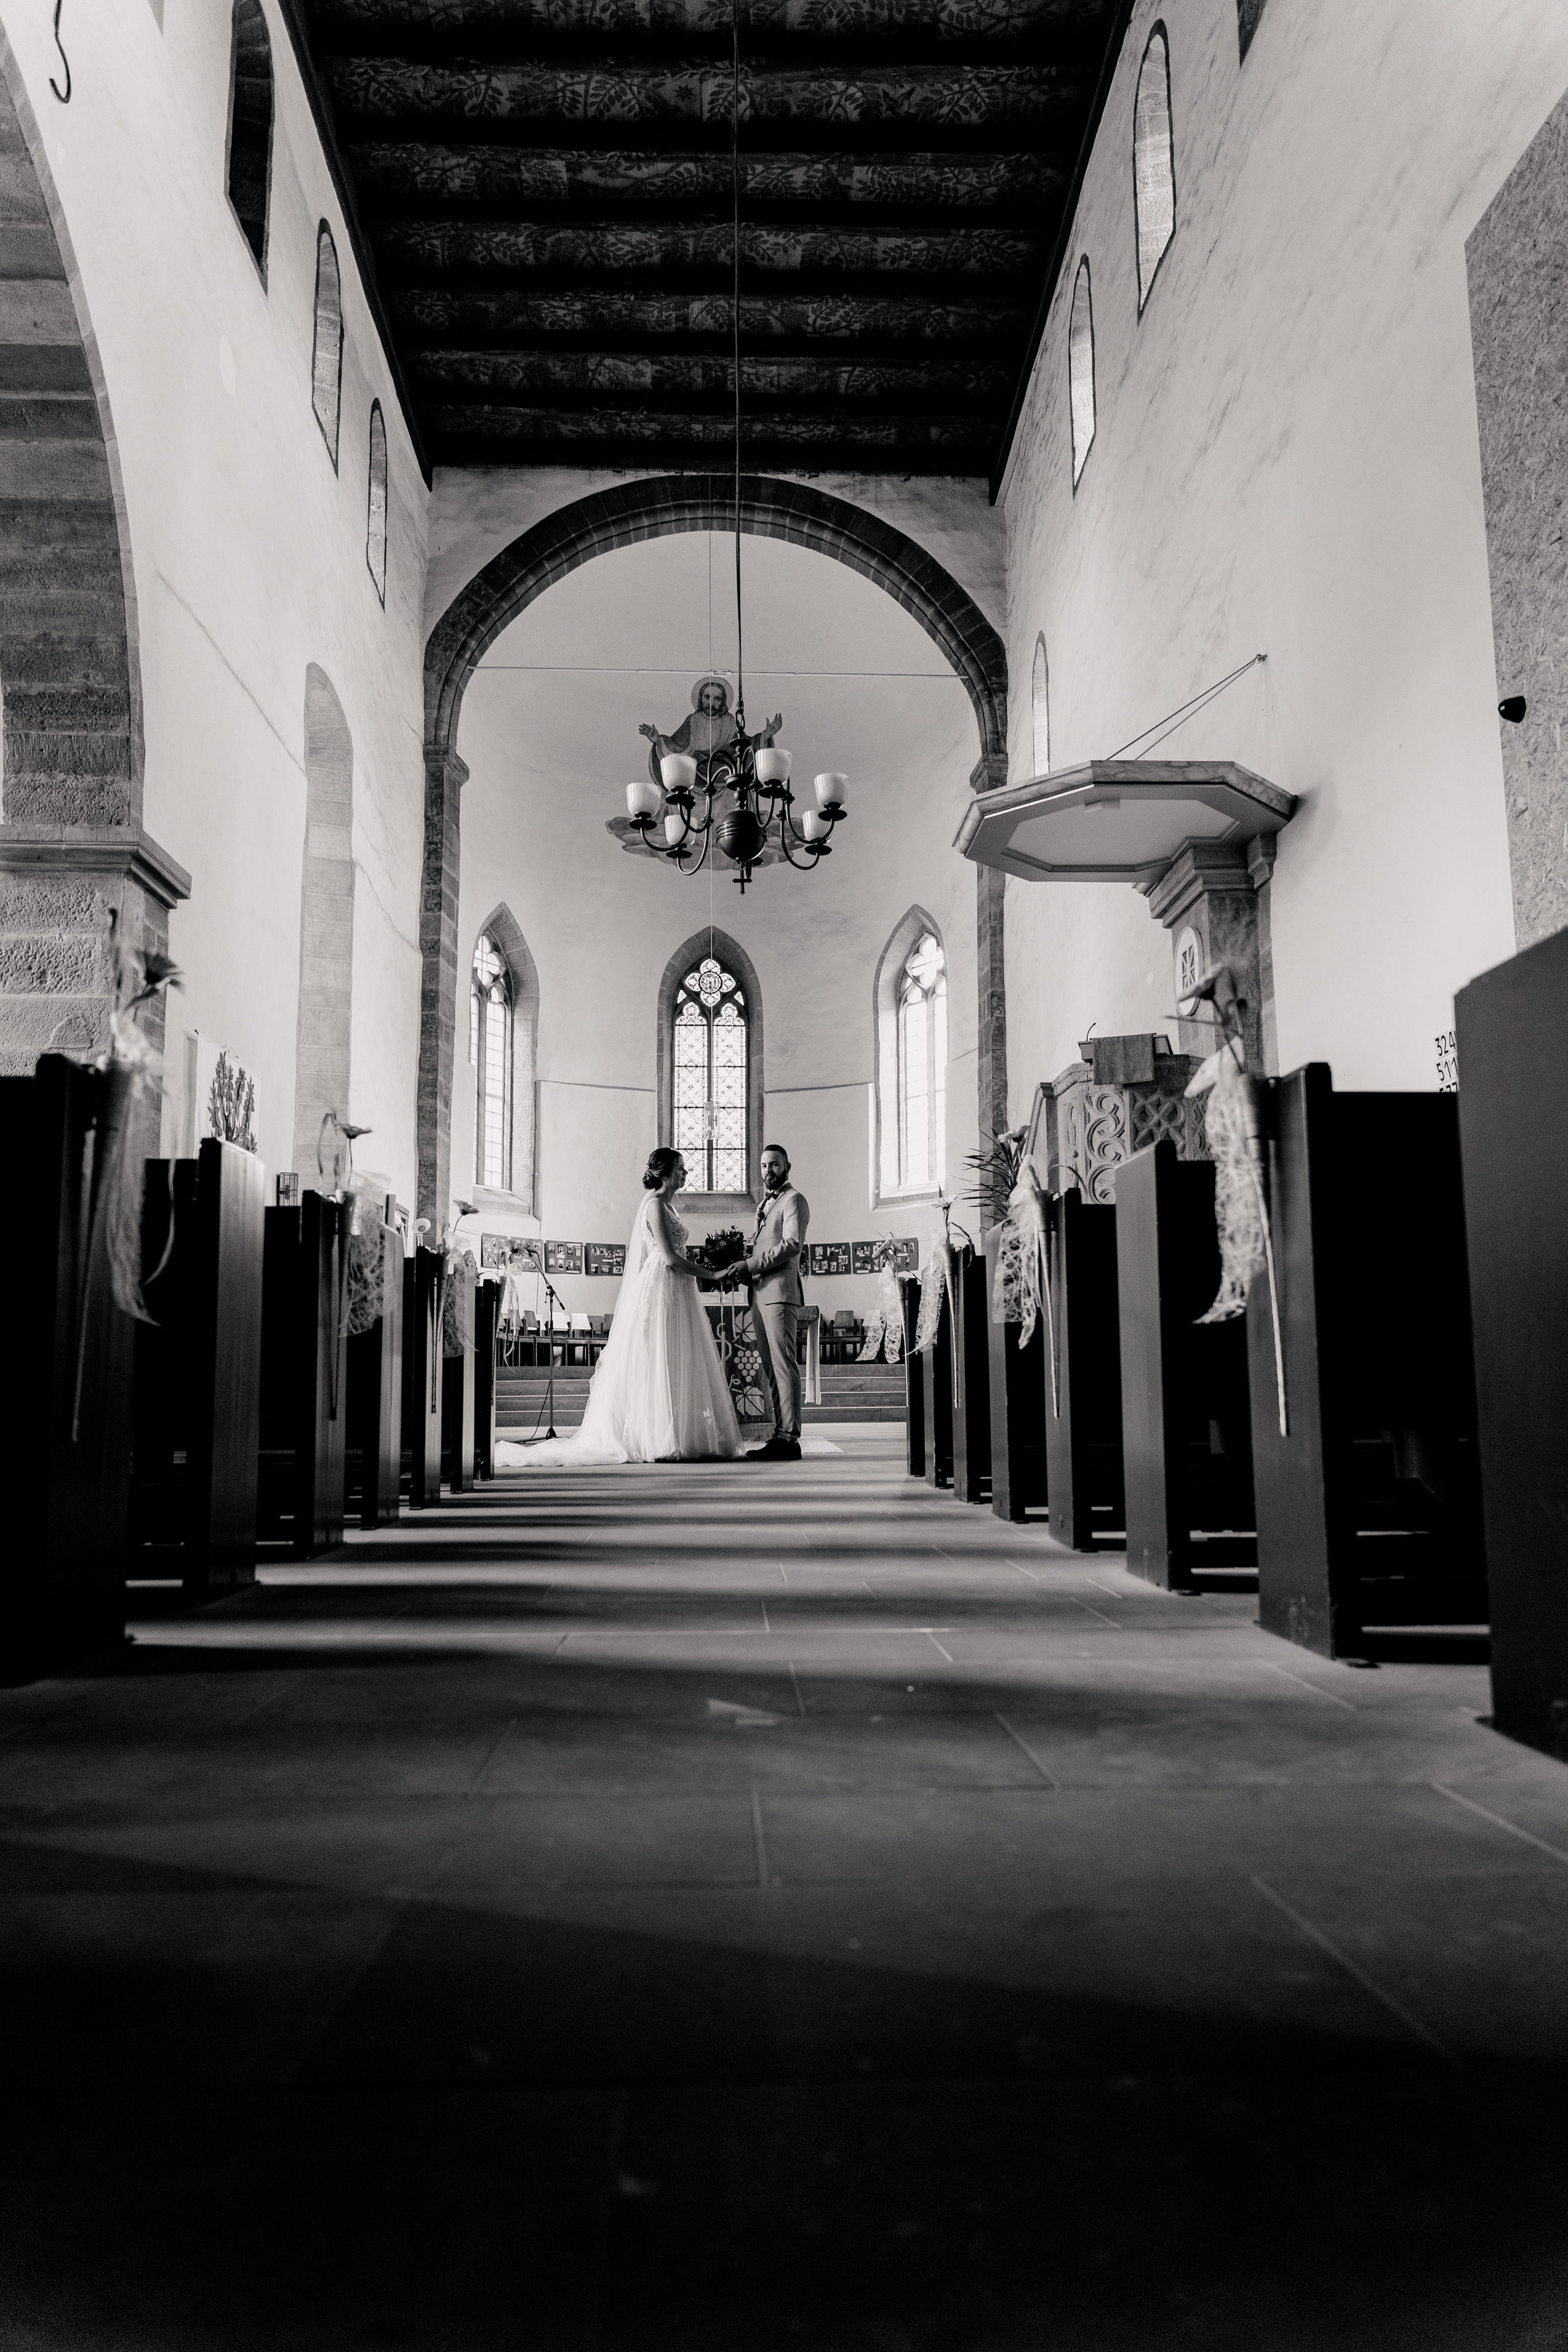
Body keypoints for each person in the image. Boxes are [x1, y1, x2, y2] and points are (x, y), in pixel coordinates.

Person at [494, 1147, 741, 1466]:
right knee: (660, 1358)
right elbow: (668, 1257)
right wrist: (713, 1274)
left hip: (679, 1287)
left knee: (679, 1357)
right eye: (681, 1168)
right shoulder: (655, 1207)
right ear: (665, 1173)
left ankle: (679, 1433)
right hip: (664, 1285)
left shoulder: (671, 1208)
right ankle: (659, 1438)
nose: (686, 1174)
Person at [720, 1142, 810, 1462]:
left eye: (774, 1165)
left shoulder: (794, 1200)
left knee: (784, 1365)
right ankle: (780, 1434)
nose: (767, 1171)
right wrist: (747, 1270)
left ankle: (791, 1439)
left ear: (787, 1167)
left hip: (780, 1294)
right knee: (771, 1368)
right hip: (760, 1293)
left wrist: (752, 1265)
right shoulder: (765, 1203)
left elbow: (791, 1245)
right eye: (763, 1166)